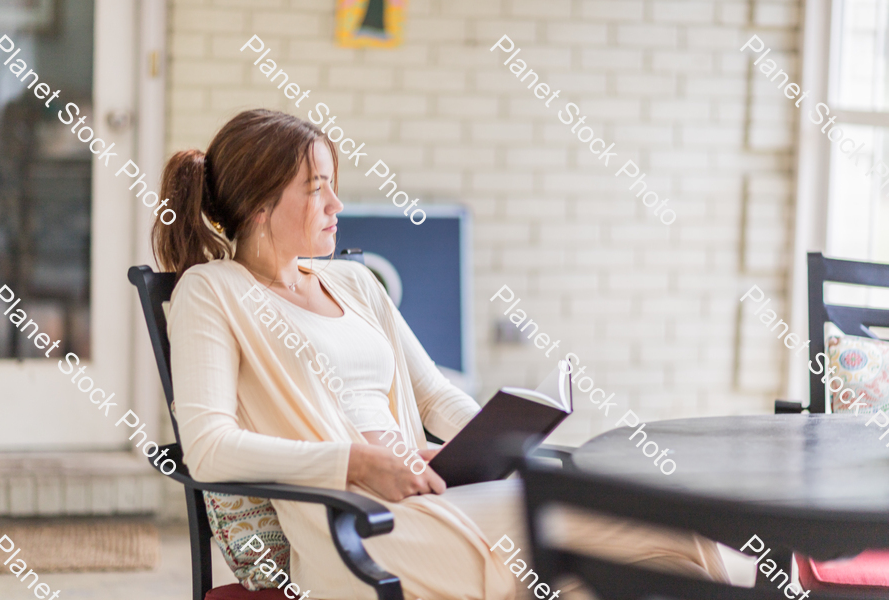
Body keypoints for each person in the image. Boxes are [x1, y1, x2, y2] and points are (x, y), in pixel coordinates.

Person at [154, 109, 730, 600]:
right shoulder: (211, 291)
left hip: (435, 497)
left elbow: (432, 394)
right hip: (359, 527)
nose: (337, 201)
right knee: (653, 528)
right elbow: (207, 451)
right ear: (258, 206)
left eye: (333, 183)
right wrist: (356, 461)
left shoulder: (355, 282)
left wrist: (491, 441)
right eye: (316, 187)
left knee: (656, 554)